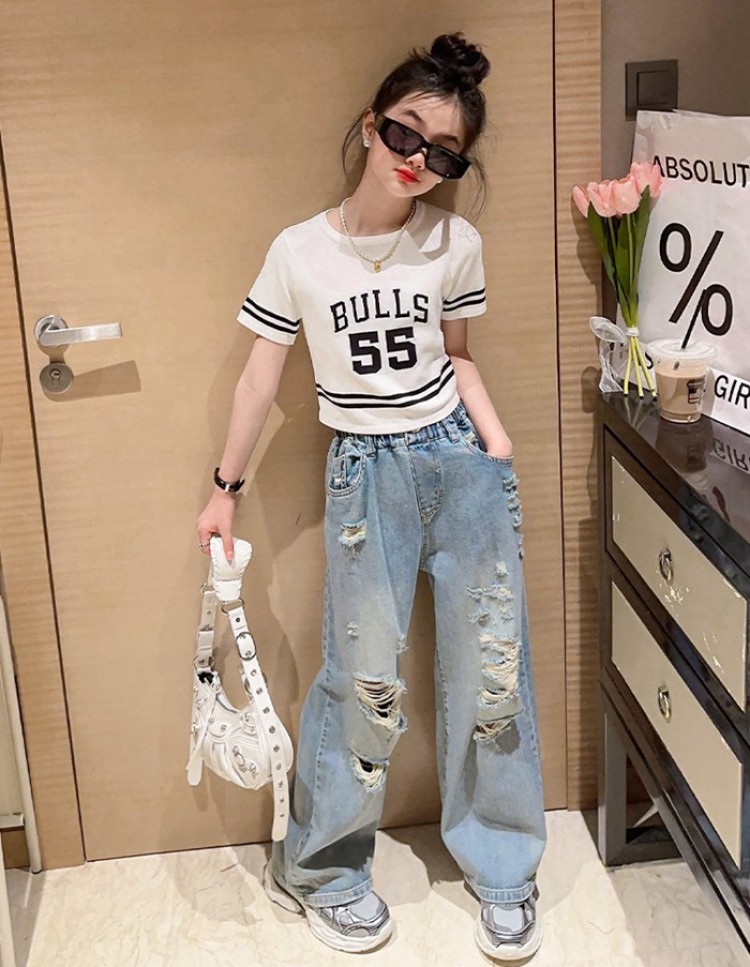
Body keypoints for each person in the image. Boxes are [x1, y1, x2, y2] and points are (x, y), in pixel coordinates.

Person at [196, 33, 546, 963]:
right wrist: (224, 489)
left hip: (461, 464)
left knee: (492, 670)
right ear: (370, 125)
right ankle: (323, 870)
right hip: (366, 473)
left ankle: (504, 864)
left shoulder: (455, 242)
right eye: (405, 133)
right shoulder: (299, 251)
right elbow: (261, 379)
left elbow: (459, 357)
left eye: (444, 154)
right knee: (362, 678)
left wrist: (496, 448)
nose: (418, 160)